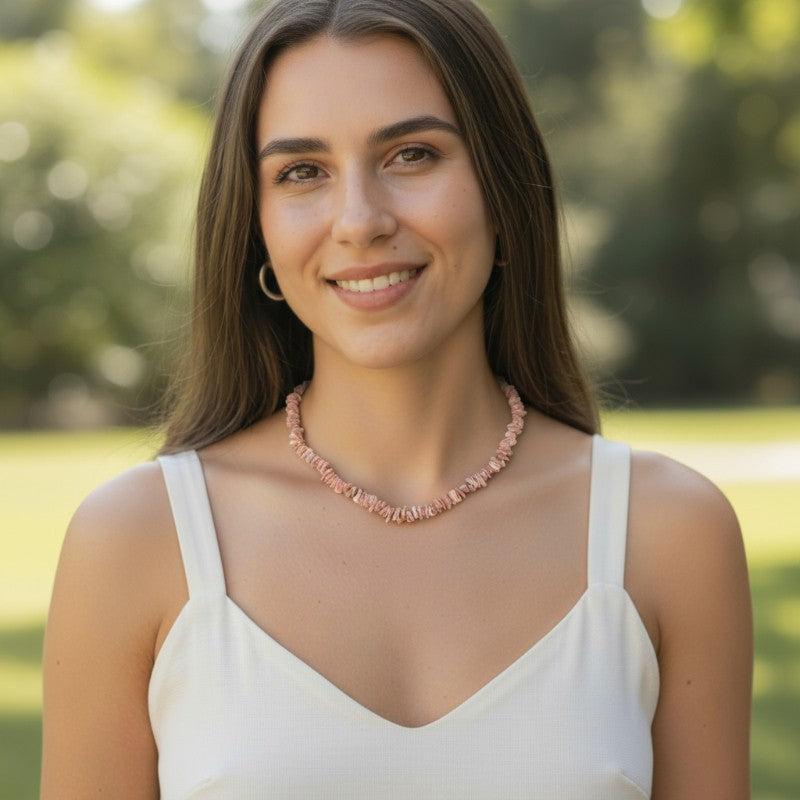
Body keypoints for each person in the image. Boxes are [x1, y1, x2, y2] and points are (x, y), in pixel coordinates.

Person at [40, 0, 752, 797]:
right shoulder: (136, 542)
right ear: (257, 225)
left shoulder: (667, 535)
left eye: (412, 154)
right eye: (302, 172)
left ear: (501, 184)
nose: (359, 221)